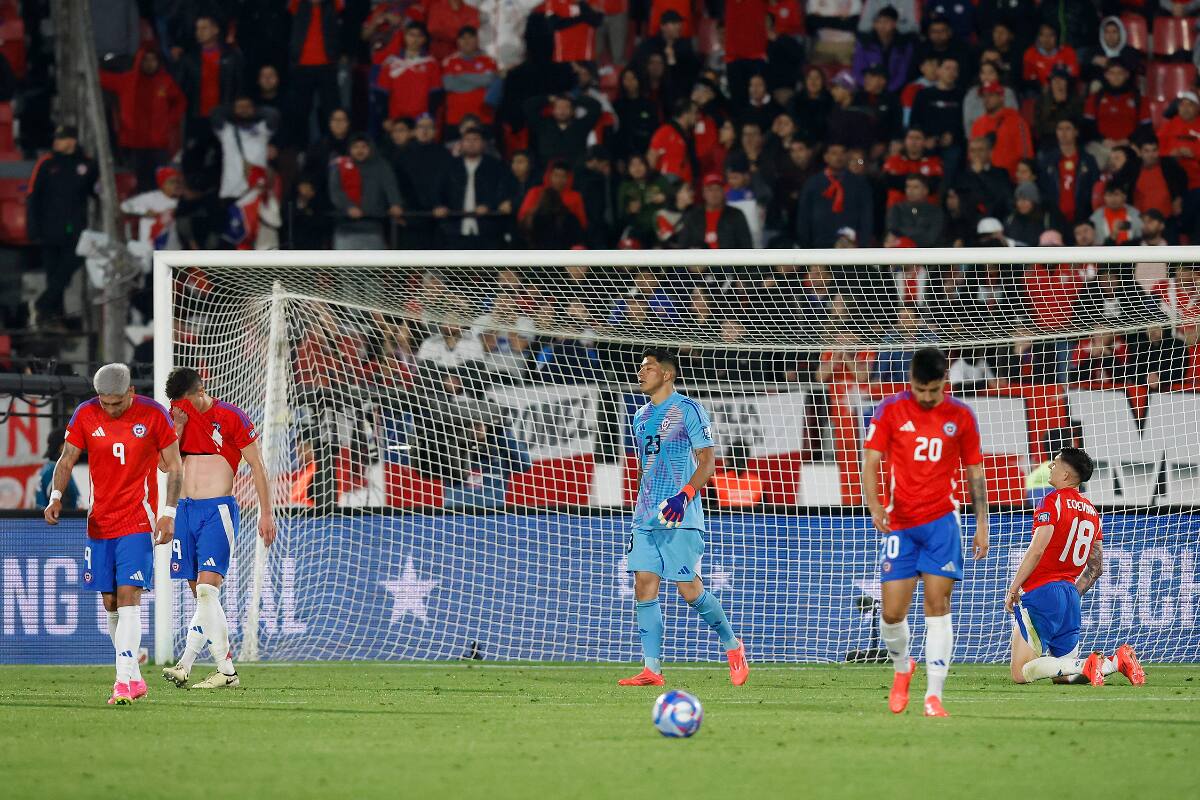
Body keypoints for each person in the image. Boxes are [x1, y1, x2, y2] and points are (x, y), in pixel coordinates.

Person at [42, 364, 182, 705]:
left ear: (131, 392)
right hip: (100, 522)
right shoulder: (85, 414)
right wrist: (56, 496)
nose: (110, 409)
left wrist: (168, 513)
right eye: (105, 402)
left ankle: (121, 683)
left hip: (138, 519)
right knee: (110, 603)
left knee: (129, 595)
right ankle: (134, 677)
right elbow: (66, 459)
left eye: (117, 402)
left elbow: (175, 466)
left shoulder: (153, 415)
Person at [862, 347, 989, 717]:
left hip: (942, 524)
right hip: (900, 523)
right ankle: (903, 669)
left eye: (934, 390)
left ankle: (933, 696)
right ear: (911, 383)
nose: (928, 397)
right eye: (921, 391)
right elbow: (870, 462)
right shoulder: (890, 410)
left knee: (938, 606)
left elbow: (975, 472)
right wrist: (874, 507)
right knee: (891, 614)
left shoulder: (961, 417)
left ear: (944, 382)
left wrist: (982, 524)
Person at [618, 348, 749, 688]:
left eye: (648, 367)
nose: (641, 372)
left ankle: (733, 647)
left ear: (667, 374)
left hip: (681, 512)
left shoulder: (688, 409)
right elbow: (645, 466)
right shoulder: (639, 416)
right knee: (643, 584)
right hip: (646, 514)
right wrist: (641, 501)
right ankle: (652, 669)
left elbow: (707, 462)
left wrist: (684, 496)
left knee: (688, 589)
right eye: (640, 367)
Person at [160, 367, 276, 690]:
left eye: (184, 403)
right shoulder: (176, 416)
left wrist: (266, 513)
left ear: (200, 392)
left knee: (208, 591)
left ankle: (199, 665)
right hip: (184, 512)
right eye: (176, 405)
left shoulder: (231, 417)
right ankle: (217, 669)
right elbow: (163, 464)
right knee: (201, 596)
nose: (180, 409)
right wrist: (178, 428)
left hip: (216, 511)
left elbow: (257, 466)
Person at [1004, 448, 1145, 687]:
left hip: (1042, 592)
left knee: (1020, 673)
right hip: (1070, 596)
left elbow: (1036, 550)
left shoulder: (1052, 501)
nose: (1050, 467)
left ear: (1067, 474)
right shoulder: (1092, 512)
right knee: (1064, 677)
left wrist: (1013, 588)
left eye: (1055, 463)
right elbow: (1096, 567)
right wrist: (1071, 595)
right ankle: (1115, 661)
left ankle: (1086, 663)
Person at [26, 125, 98, 328]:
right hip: (49, 228)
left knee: (68, 266)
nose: (56, 141)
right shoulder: (46, 163)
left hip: (75, 228)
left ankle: (42, 304)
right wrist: (33, 228)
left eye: (61, 138)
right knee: (54, 275)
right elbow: (33, 196)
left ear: (72, 141)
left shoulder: (87, 164)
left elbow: (96, 189)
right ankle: (53, 317)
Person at [330, 134, 405, 249]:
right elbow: (335, 191)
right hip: (345, 227)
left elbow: (390, 186)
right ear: (349, 149)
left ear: (370, 148)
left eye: (364, 146)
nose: (360, 150)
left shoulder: (381, 165)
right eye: (355, 147)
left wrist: (395, 204)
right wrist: (348, 207)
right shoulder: (341, 166)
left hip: (374, 227)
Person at [34, 427, 79, 509]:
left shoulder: (46, 468)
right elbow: (65, 505)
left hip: (42, 519)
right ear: (62, 447)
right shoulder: (59, 471)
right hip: (61, 520)